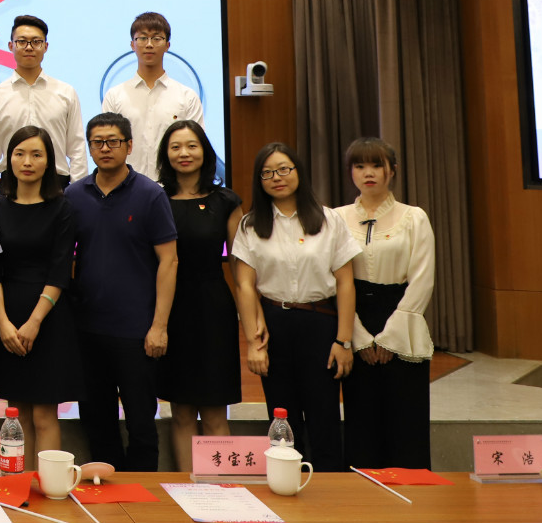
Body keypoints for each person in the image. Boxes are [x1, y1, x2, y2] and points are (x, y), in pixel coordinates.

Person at [232, 142, 361, 473]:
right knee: (282, 418)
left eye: (284, 169)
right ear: (259, 180)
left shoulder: (329, 219)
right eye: (267, 173)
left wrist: (344, 340)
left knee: (324, 414)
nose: (277, 178)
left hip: (320, 323)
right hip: (274, 323)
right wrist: (253, 343)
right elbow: (244, 285)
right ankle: (286, 482)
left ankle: (330, 487)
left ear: (298, 172)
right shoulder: (250, 225)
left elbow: (346, 283)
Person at [64, 112, 178, 472]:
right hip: (87, 331)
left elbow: (169, 261)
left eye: (113, 141)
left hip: (136, 331)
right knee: (97, 421)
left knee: (141, 422)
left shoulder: (150, 195)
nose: (105, 148)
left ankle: (142, 492)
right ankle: (106, 490)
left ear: (129, 146)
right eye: (97, 142)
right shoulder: (74, 195)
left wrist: (159, 326)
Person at [0, 126, 80, 466]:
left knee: (45, 415)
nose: (27, 162)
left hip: (49, 319)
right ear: (9, 160)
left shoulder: (62, 208)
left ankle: (49, 485)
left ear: (49, 161)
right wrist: (2, 323)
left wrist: (34, 322)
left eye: (36, 154)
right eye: (19, 154)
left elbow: (59, 271)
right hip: (8, 315)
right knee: (17, 414)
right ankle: (20, 484)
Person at [339, 137, 436, 469]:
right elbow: (333, 281)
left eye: (376, 165)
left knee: (405, 421)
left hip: (401, 318)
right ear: (350, 172)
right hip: (353, 317)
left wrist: (390, 339)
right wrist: (358, 337)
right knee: (361, 422)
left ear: (391, 171)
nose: (368, 173)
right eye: (360, 166)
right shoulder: (335, 218)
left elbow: (422, 279)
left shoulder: (414, 217)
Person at [154, 120, 243, 472]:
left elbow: (240, 266)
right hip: (169, 309)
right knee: (181, 411)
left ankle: (221, 487)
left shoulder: (226, 200)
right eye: (175, 147)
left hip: (212, 308)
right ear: (166, 154)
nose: (184, 153)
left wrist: (252, 322)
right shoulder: (155, 199)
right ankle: (185, 487)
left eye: (191, 145)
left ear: (205, 151)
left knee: (215, 411)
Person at [0, 15, 87, 202]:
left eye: (36, 42)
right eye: (22, 41)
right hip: (11, 189)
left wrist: (78, 197)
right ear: (11, 46)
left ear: (45, 46)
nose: (29, 47)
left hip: (57, 187)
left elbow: (77, 149)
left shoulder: (66, 93)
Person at [100, 12, 203, 181]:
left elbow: (196, 147)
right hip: (126, 186)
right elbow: (107, 146)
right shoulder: (115, 96)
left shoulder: (187, 96)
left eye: (156, 38)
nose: (149, 44)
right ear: (132, 45)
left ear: (167, 45)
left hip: (173, 187)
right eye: (142, 38)